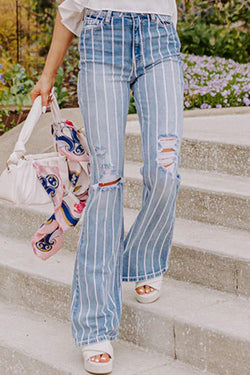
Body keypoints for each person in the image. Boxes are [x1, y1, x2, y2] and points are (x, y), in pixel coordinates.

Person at [30, 0, 184, 373]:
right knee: (107, 179)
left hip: (158, 36)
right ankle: (95, 325)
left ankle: (143, 258)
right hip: (102, 38)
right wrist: (48, 74)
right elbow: (69, 10)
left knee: (165, 170)